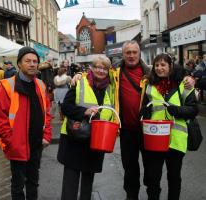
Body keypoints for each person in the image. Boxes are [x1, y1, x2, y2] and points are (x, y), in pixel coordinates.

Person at [71, 40, 195, 200]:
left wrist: (189, 78)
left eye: (134, 52)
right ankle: (132, 196)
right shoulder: (114, 72)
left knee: (152, 170)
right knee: (130, 168)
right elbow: (96, 73)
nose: (131, 55)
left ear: (138, 53)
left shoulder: (150, 73)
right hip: (126, 130)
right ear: (123, 54)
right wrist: (79, 75)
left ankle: (152, 195)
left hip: (148, 130)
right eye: (127, 52)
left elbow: (173, 73)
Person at [0, 46, 52, 200]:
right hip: (17, 146)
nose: (32, 64)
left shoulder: (40, 85)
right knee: (18, 185)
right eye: (27, 61)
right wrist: (11, 141)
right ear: (19, 63)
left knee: (33, 182)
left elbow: (47, 113)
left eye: (35, 61)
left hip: (36, 144)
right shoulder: (8, 86)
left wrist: (47, 135)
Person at [57, 55, 117, 200]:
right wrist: (84, 112)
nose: (100, 71)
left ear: (109, 71)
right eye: (97, 67)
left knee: (87, 186)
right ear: (91, 67)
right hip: (75, 139)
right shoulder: (80, 82)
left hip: (95, 141)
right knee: (70, 186)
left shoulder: (110, 87)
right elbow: (66, 107)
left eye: (104, 68)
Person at [140, 53, 198, 200]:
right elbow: (144, 109)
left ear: (170, 67)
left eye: (163, 65)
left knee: (174, 177)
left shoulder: (183, 85)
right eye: (157, 65)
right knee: (153, 178)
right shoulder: (149, 86)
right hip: (155, 139)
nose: (159, 68)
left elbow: (193, 110)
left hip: (176, 140)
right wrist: (144, 113)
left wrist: (176, 110)